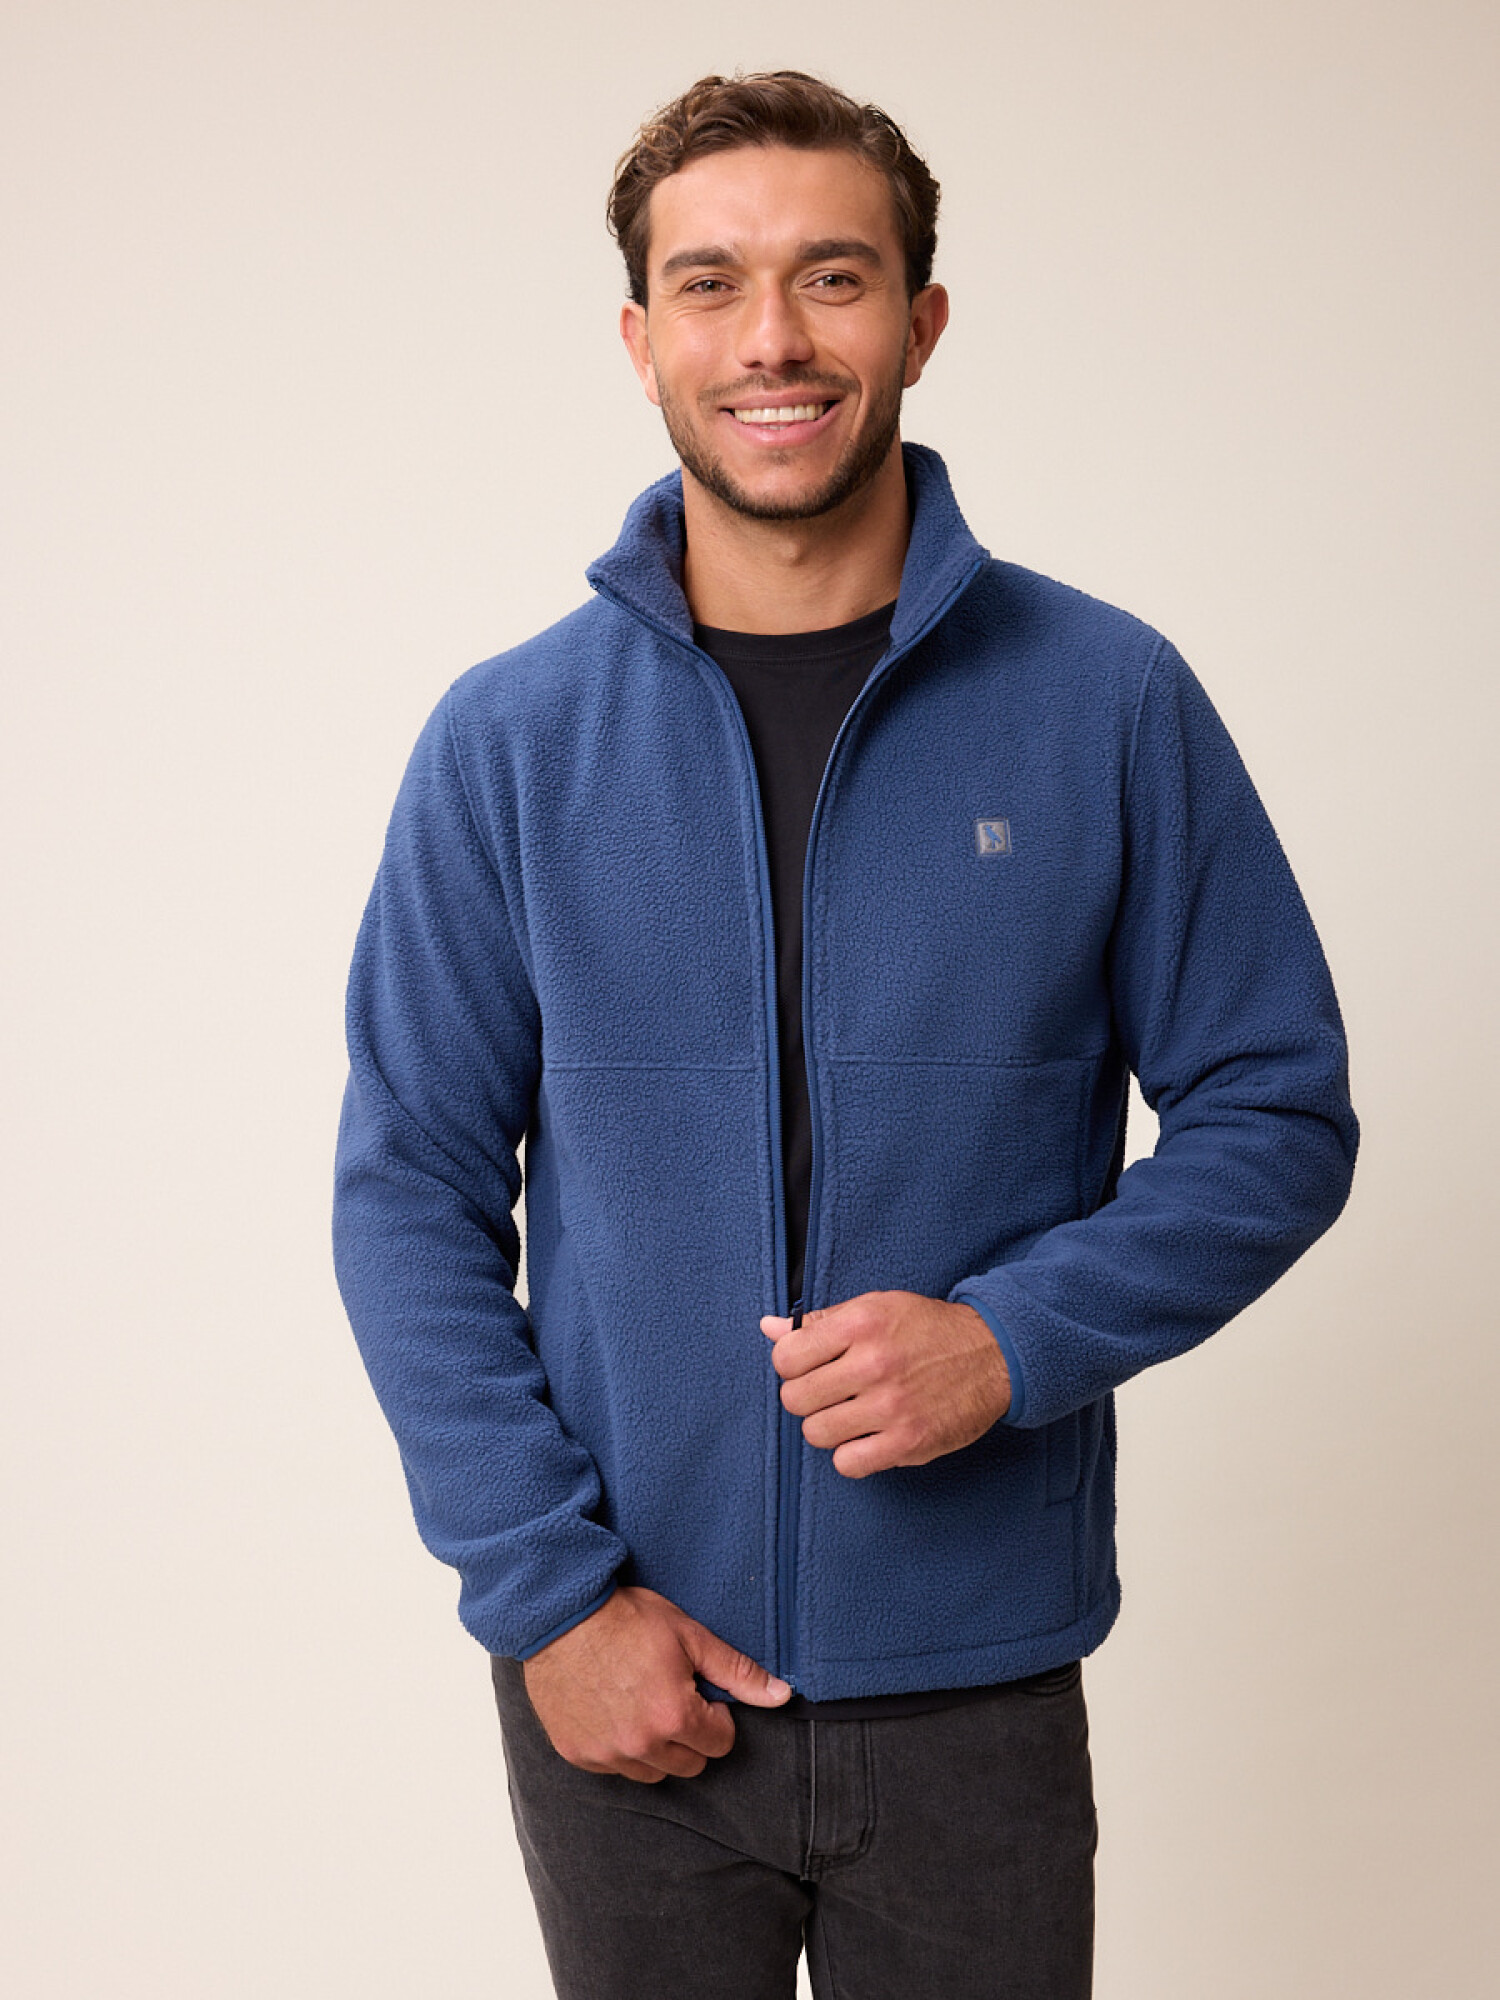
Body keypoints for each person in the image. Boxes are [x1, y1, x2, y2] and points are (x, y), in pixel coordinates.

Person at [333, 70, 1357, 2000]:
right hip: (627, 1677)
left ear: (921, 320)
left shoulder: (1109, 701)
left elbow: (1277, 1112)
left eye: (832, 276)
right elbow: (408, 1193)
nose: (773, 340)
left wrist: (1014, 1338)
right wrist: (550, 1600)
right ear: (641, 340)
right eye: (709, 285)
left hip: (977, 1691)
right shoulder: (510, 744)